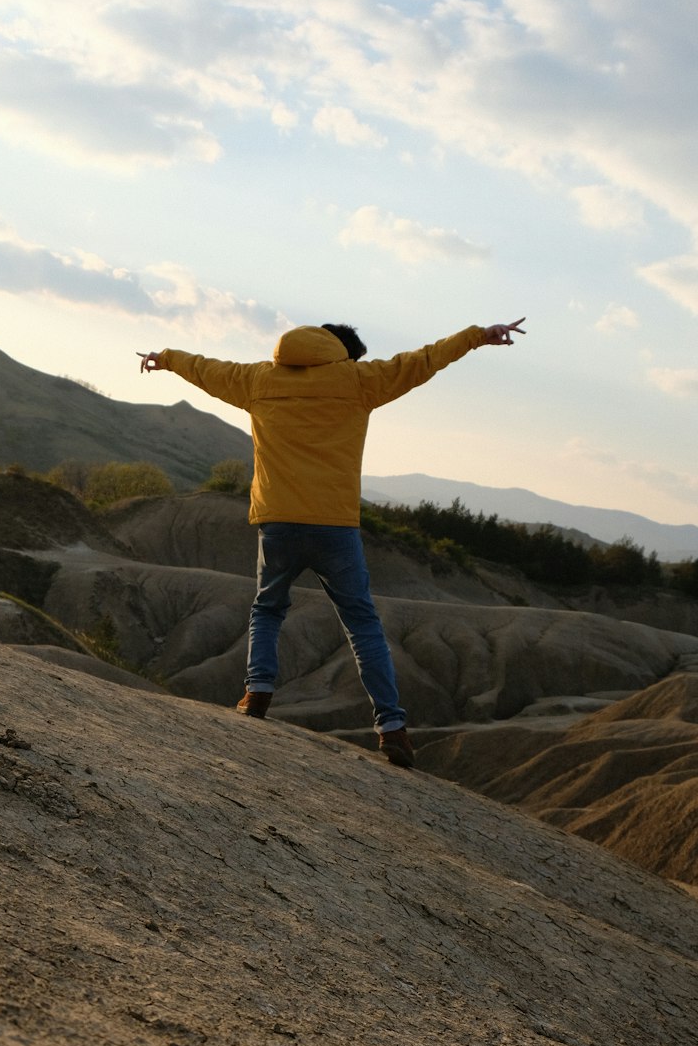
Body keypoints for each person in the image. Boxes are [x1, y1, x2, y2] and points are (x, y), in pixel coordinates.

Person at [138, 317, 526, 767]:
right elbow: (422, 361)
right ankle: (392, 727)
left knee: (267, 608)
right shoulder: (359, 380)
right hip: (333, 525)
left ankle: (258, 693)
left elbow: (205, 367)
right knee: (362, 625)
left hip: (278, 520)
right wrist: (478, 336)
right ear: (344, 353)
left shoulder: (256, 379)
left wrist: (164, 359)